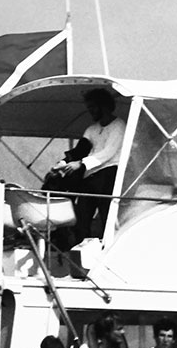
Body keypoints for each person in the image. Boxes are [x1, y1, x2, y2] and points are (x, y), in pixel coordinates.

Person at [45, 88, 127, 247]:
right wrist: (62, 164)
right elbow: (80, 150)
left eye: (93, 107)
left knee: (106, 215)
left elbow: (108, 152)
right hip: (91, 176)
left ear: (104, 106)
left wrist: (82, 164)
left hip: (109, 175)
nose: (90, 111)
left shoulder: (119, 126)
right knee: (82, 215)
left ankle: (107, 249)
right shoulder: (92, 129)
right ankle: (78, 250)